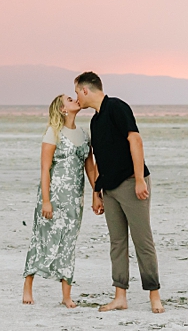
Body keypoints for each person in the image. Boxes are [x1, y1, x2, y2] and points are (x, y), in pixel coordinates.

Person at [75, 71, 164, 313]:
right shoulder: (95, 120)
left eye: (77, 93)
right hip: (110, 189)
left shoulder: (116, 107)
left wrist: (138, 179)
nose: (77, 99)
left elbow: (135, 140)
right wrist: (97, 191)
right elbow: (101, 158)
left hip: (131, 182)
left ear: (85, 90)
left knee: (142, 240)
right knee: (117, 243)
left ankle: (154, 295)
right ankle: (120, 296)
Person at [23, 94, 99, 307]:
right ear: (63, 109)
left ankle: (66, 295)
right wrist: (46, 201)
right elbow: (45, 169)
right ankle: (28, 284)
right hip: (54, 197)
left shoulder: (84, 135)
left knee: (68, 243)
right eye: (69, 98)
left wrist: (97, 192)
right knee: (42, 239)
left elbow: (90, 167)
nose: (74, 99)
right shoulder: (52, 133)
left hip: (75, 199)